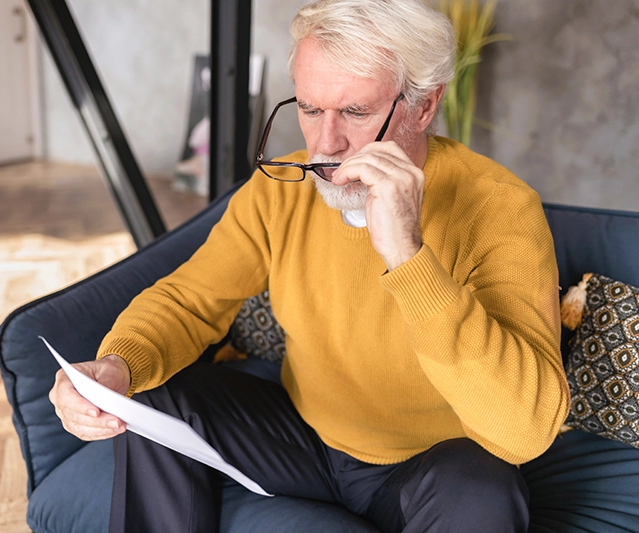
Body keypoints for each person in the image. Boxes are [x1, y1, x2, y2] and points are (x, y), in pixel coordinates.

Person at [49, 0, 571, 531]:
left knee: (485, 489)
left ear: (424, 106)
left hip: (428, 465)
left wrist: (409, 257)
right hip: (302, 439)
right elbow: (190, 300)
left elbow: (525, 431)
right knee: (150, 392)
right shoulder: (282, 188)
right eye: (309, 107)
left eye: (356, 112)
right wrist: (116, 367)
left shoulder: (502, 209)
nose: (324, 146)